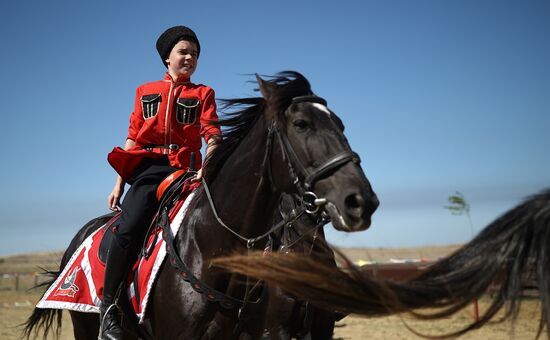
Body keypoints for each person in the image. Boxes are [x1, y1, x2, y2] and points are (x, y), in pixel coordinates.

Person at [101, 26, 221, 340]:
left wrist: (207, 169)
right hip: (147, 171)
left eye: (194, 54)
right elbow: (132, 136)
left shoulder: (203, 93)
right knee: (127, 228)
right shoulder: (144, 90)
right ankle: (109, 307)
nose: (190, 58)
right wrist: (119, 184)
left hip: (186, 172)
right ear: (167, 57)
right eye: (183, 51)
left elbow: (213, 137)